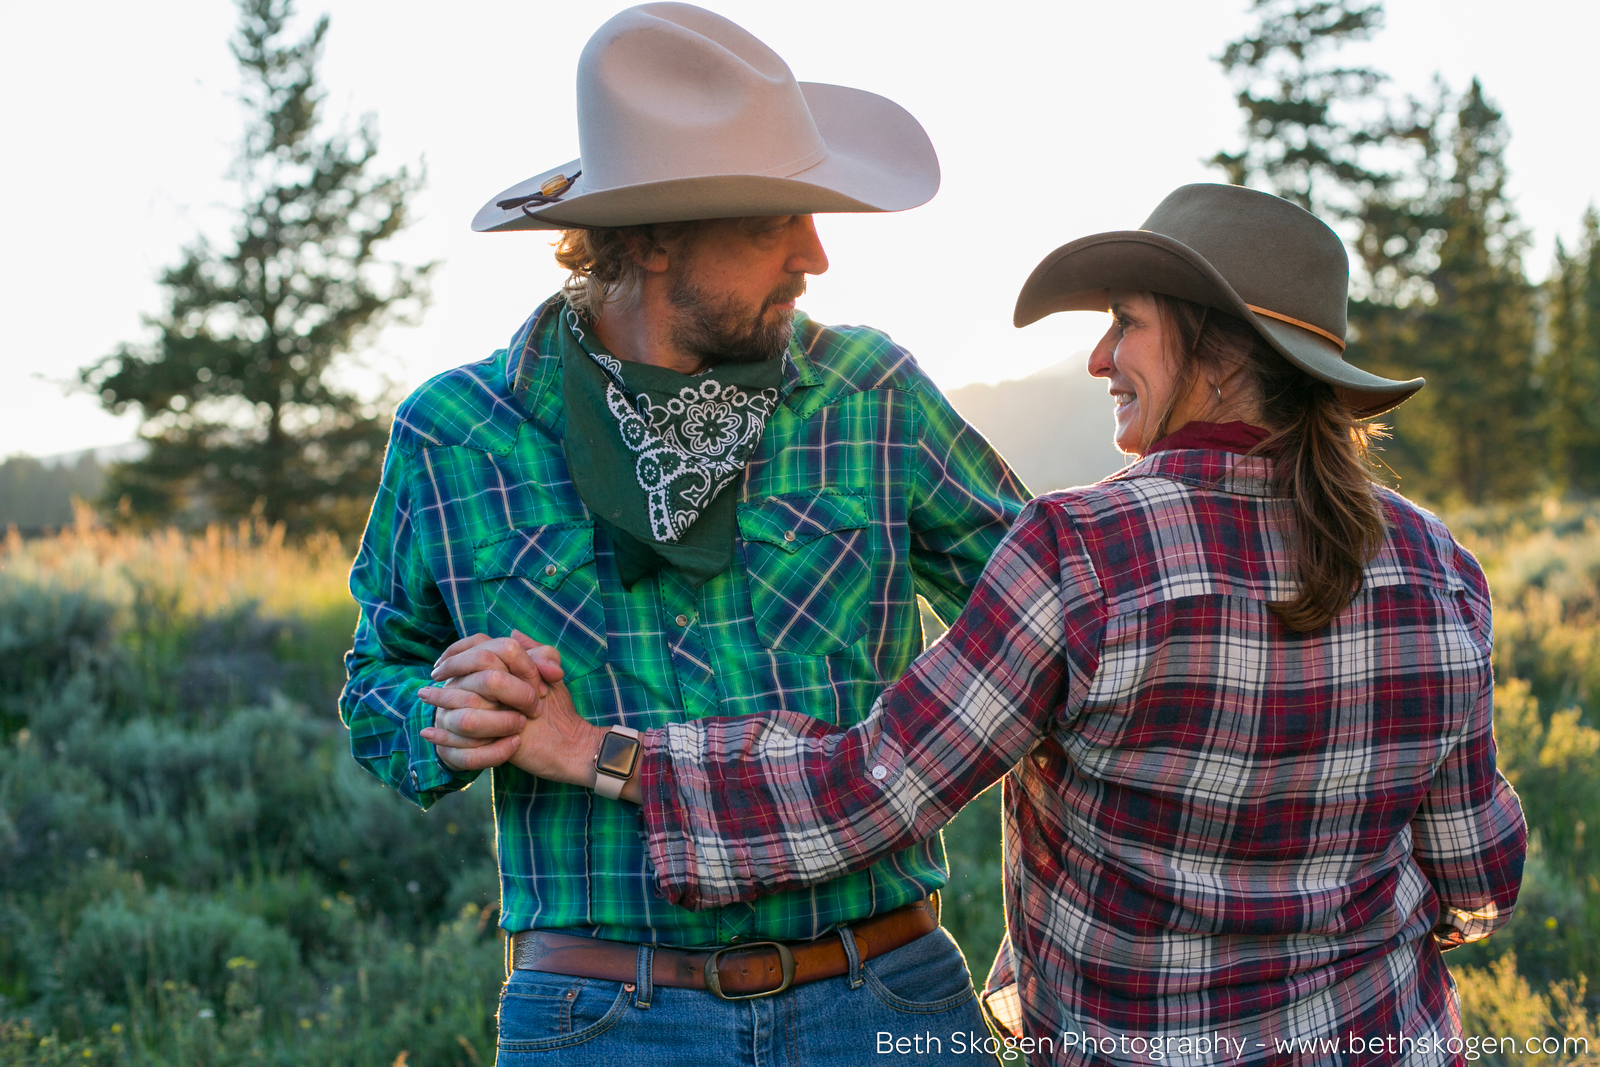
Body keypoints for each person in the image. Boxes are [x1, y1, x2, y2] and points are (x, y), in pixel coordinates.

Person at [426, 184, 1528, 1065]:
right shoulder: (1440, 568)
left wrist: (596, 750)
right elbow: (1478, 869)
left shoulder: (1081, 556)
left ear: (1219, 347)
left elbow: (868, 791)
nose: (1100, 357)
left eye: (1127, 326)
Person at [339, 3, 1027, 1064]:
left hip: (882, 988)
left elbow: (1052, 622)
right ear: (651, 238)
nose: (815, 255)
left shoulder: (870, 395)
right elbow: (374, 679)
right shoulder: (458, 435)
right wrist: (441, 711)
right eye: (771, 222)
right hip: (602, 1012)